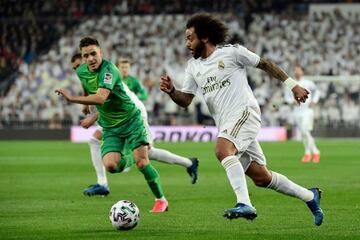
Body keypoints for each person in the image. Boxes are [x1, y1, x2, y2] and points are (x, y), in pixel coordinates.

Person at [159, 13, 323, 226]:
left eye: (190, 37)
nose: (187, 43)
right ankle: (310, 197)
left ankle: (245, 203)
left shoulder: (232, 53)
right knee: (262, 178)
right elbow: (186, 100)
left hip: (245, 113)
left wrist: (293, 85)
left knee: (222, 150)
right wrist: (172, 91)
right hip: (227, 123)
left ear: (205, 37)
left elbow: (264, 64)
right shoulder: (193, 66)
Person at [57, 37, 168, 213]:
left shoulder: (109, 70)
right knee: (111, 166)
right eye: (86, 55)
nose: (91, 58)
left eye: (94, 54)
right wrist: (87, 103)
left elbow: (101, 97)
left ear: (101, 52)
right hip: (110, 126)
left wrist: (73, 99)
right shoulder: (82, 71)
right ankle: (136, 155)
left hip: (131, 120)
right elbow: (86, 84)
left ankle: (161, 200)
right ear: (83, 58)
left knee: (142, 164)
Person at [70, 53, 199, 197]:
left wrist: (92, 117)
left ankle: (188, 163)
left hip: (134, 112)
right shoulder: (89, 75)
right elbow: (91, 91)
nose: (78, 70)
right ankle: (102, 184)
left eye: (79, 65)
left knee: (146, 153)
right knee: (94, 140)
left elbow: (116, 104)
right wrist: (86, 103)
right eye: (75, 68)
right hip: (115, 118)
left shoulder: (107, 74)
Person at [285, 65, 321, 163]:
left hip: (307, 110)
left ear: (302, 72)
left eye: (298, 70)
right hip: (297, 111)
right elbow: (287, 97)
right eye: (295, 70)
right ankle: (311, 153)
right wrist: (290, 101)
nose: (297, 72)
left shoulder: (308, 83)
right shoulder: (290, 84)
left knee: (305, 131)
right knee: (304, 133)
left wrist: (314, 101)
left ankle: (312, 152)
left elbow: (317, 91)